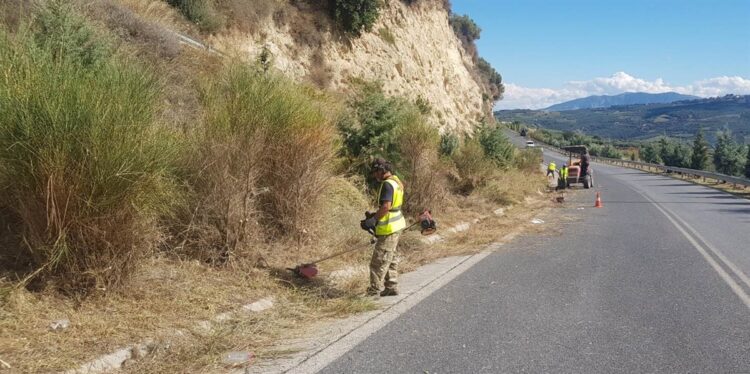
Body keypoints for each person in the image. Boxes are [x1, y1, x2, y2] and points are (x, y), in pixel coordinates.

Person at [361, 158, 406, 297]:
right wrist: (375, 215)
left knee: (378, 261)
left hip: (389, 228)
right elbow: (393, 206)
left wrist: (373, 220)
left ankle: (374, 290)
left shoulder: (387, 185)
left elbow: (386, 207)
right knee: (391, 258)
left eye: (375, 172)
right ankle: (391, 286)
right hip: (397, 225)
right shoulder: (396, 181)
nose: (375, 176)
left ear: (382, 170)